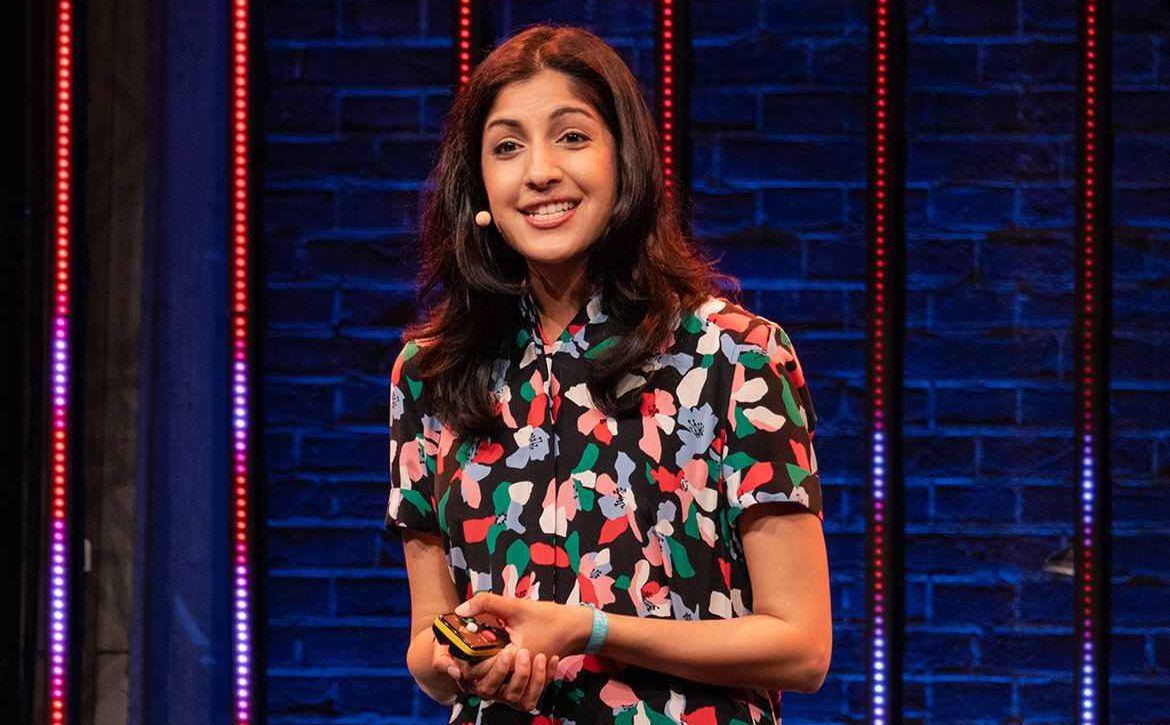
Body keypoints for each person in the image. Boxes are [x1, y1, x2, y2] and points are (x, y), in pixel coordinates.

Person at [385, 24, 831, 725]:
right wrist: (457, 660)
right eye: (507, 146)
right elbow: (426, 645)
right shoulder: (432, 371)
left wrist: (590, 630)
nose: (539, 171)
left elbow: (801, 647)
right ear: (480, 187)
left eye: (571, 137)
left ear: (626, 162)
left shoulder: (733, 355)